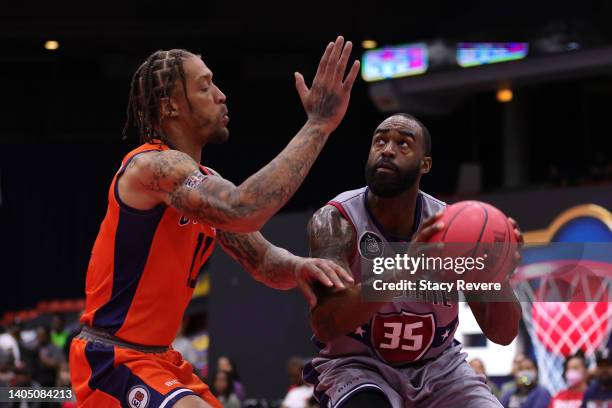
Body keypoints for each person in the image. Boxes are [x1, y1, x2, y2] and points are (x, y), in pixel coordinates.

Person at [69, 36, 360, 408]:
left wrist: (299, 267)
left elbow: (263, 261)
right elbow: (242, 208)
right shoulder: (151, 167)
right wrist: (318, 125)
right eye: (205, 86)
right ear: (171, 105)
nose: (221, 95)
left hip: (159, 358)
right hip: (112, 359)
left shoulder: (200, 182)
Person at [304, 113, 523, 407]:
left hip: (439, 369)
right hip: (357, 365)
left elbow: (503, 334)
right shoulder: (336, 220)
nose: (388, 149)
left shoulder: (454, 228)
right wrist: (404, 269)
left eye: (403, 144)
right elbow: (326, 325)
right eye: (379, 141)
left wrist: (498, 277)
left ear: (425, 164)